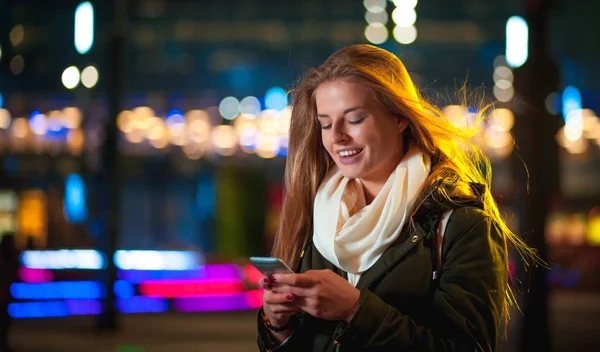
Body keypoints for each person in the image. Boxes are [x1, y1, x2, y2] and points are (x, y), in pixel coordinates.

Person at [256, 44, 537, 351]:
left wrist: (355, 309)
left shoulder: (463, 224)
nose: (336, 136)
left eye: (354, 119)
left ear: (399, 118)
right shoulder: (316, 216)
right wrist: (277, 326)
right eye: (325, 123)